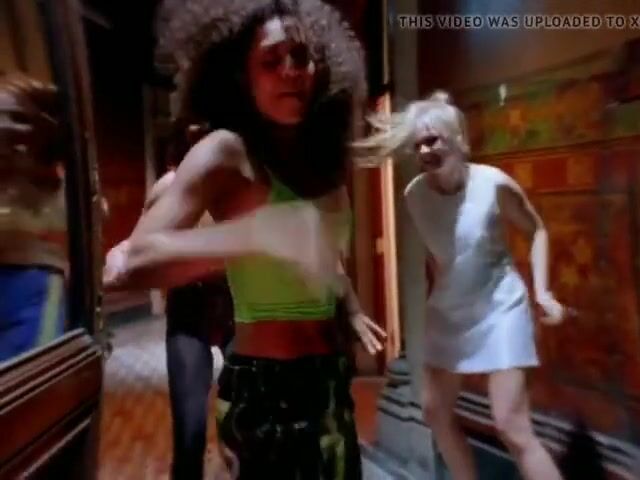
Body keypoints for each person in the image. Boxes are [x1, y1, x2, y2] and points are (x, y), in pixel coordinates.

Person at [104, 0, 384, 478]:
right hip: (266, 391)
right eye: (271, 61)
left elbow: (322, 252)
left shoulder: (320, 162)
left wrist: (352, 307)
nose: (291, 71)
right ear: (241, 76)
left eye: (301, 57)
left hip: (330, 383)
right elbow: (132, 261)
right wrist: (253, 235)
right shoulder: (225, 152)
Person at [353, 90, 571, 480]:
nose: (424, 151)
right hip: (450, 312)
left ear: (457, 140)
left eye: (432, 140)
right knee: (434, 410)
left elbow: (536, 229)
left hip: (500, 308)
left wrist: (542, 292)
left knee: (511, 425)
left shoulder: (493, 184)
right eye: (417, 144)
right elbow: (439, 256)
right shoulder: (414, 195)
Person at [141, 165, 234, 479]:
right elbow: (143, 248)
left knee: (244, 424)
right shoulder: (168, 187)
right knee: (189, 431)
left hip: (238, 300)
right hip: (188, 303)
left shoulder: (242, 181)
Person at [0, 73, 67, 362]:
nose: (6, 126)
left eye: (18, 118)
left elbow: (91, 214)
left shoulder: (51, 178)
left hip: (33, 285)